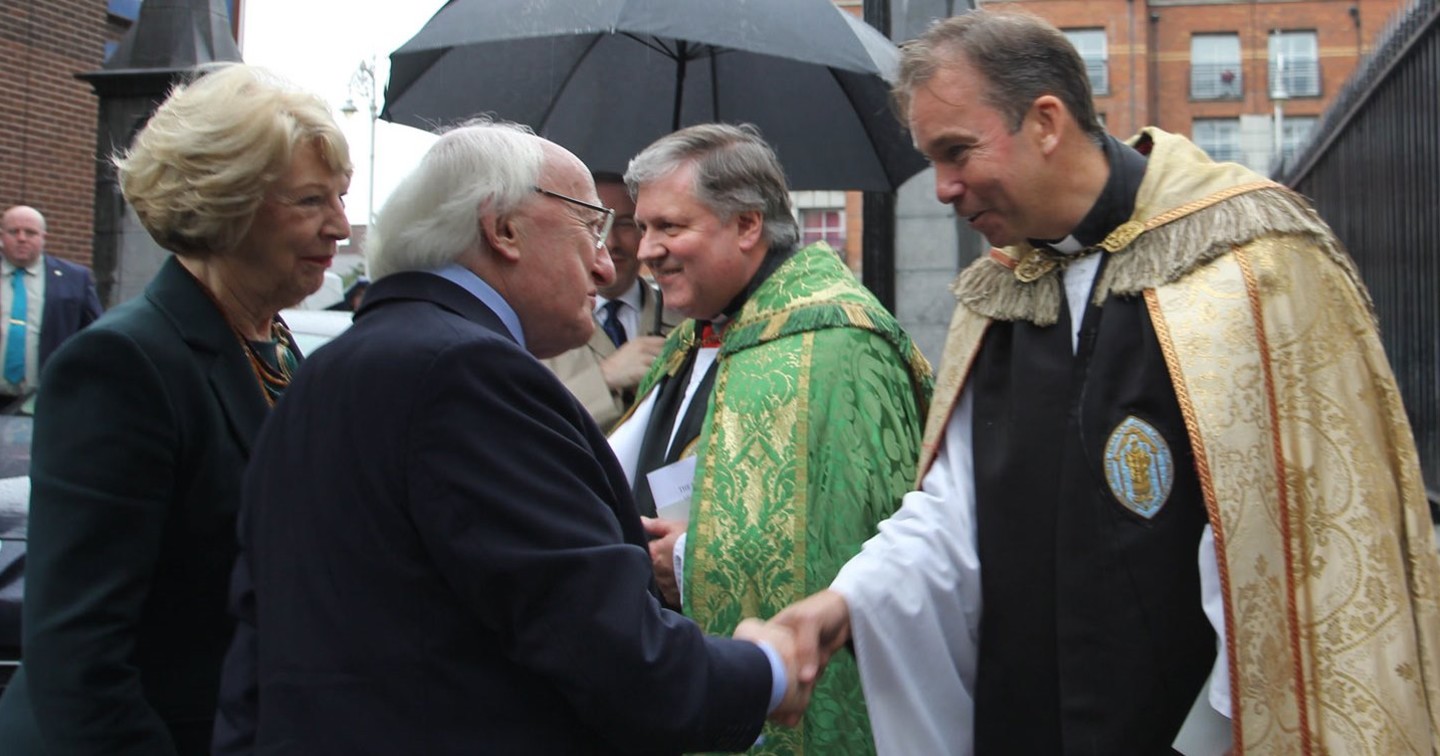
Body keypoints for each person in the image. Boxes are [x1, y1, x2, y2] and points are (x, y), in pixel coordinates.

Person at [772, 10, 1440, 755]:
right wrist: (844, 603)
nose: (942, 188)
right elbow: (954, 513)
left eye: (956, 151)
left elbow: (1293, 555)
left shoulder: (1249, 265)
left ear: (1047, 121)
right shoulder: (1002, 294)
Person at [213, 121, 807, 755]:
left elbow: (256, 653)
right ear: (503, 230)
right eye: (591, 227)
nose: (608, 266)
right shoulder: (468, 375)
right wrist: (764, 669)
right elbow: (599, 642)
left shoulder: (324, 373)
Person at [0, 63, 351, 754]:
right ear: (226, 202)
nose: (340, 226)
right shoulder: (122, 367)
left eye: (339, 197)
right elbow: (79, 659)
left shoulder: (274, 345)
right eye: (312, 201)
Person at [607, 123, 932, 755]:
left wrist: (685, 561)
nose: (645, 251)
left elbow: (861, 543)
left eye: (669, 227)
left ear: (748, 225)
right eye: (641, 228)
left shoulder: (840, 342)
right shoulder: (688, 338)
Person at [542, 171, 672, 430]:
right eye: (596, 225)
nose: (610, 242)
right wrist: (604, 378)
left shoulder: (687, 320)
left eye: (625, 224)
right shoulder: (539, 327)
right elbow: (529, 424)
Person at [0, 205, 103, 402]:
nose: (21, 238)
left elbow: (96, 335)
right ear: (2, 236)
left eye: (30, 232)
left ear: (43, 237)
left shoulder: (75, 279)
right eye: (14, 231)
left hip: (47, 399)